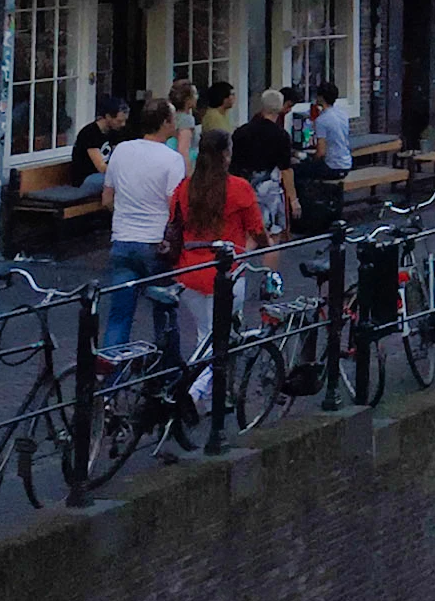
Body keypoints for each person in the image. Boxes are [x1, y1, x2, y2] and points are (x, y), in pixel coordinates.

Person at [166, 132, 266, 393]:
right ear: (225, 155)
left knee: (205, 333)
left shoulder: (185, 187)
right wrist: (258, 248)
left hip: (189, 271)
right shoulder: (239, 187)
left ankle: (210, 398)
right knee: (218, 338)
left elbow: (175, 222)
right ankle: (192, 393)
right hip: (226, 274)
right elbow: (257, 230)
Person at [98, 97, 188, 359]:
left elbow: (107, 199)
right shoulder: (172, 160)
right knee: (164, 314)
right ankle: (167, 378)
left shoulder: (122, 151)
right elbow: (175, 207)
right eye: (172, 118)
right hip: (155, 245)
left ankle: (109, 384)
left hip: (123, 242)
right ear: (164, 122)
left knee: (119, 316)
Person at [230, 89, 298, 239]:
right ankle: (269, 262)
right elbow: (286, 170)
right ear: (280, 108)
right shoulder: (281, 136)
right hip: (269, 191)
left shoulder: (241, 132)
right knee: (273, 232)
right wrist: (293, 200)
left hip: (242, 187)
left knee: (246, 231)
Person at [304, 85, 356, 229]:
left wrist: (309, 158)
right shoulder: (342, 114)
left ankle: (309, 216)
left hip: (332, 165)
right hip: (346, 162)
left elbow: (321, 152)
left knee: (301, 173)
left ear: (320, 98)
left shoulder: (322, 120)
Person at [69, 93, 128, 187]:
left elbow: (118, 156)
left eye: (124, 121)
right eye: (119, 121)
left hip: (105, 175)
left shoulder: (114, 131)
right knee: (121, 181)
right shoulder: (89, 133)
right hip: (86, 178)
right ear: (108, 116)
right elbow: (101, 167)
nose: (123, 124)